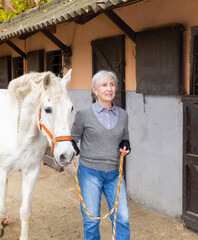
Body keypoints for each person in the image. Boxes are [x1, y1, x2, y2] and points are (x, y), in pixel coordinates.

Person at [71, 70, 131, 240]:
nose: (109, 88)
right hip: (90, 173)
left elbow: (125, 138)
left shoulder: (123, 115)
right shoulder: (83, 115)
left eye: (112, 84)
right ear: (94, 90)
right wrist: (73, 147)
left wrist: (126, 145)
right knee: (91, 221)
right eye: (104, 85)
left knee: (123, 218)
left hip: (114, 174)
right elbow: (73, 138)